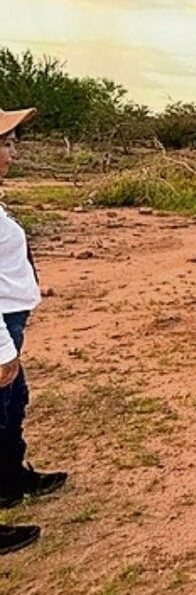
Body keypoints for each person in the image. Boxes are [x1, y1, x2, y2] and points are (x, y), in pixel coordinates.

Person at [0, 107, 68, 555]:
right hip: (1, 326)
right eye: (6, 144)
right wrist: (2, 348)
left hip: (11, 319)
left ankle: (9, 480)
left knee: (13, 404)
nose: (13, 152)